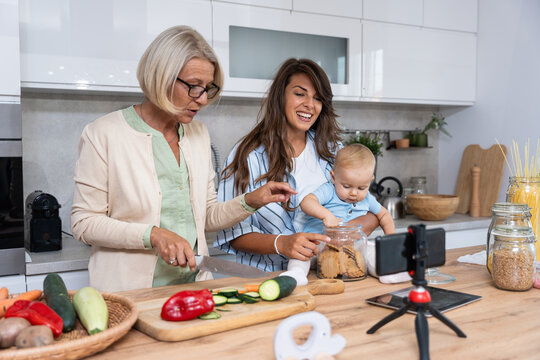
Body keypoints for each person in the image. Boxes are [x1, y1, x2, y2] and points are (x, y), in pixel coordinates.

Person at [71, 26, 295, 292]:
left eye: (207, 88)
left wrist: (251, 200)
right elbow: (84, 222)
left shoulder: (197, 134)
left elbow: (207, 216)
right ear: (161, 77)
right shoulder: (104, 133)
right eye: (192, 86)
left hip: (194, 288)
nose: (201, 99)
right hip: (128, 293)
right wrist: (153, 235)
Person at [215, 58, 380, 272]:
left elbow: (369, 210)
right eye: (300, 94)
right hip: (266, 279)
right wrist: (282, 243)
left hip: (327, 275)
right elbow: (232, 233)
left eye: (318, 98)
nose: (310, 105)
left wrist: (340, 234)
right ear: (280, 96)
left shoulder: (333, 150)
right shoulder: (247, 156)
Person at [300, 144, 395, 235]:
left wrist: (390, 238)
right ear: (333, 178)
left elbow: (384, 215)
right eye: (346, 186)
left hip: (345, 245)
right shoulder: (329, 190)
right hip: (317, 243)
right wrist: (326, 215)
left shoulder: (367, 198)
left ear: (370, 182)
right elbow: (307, 202)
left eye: (361, 188)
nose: (353, 193)